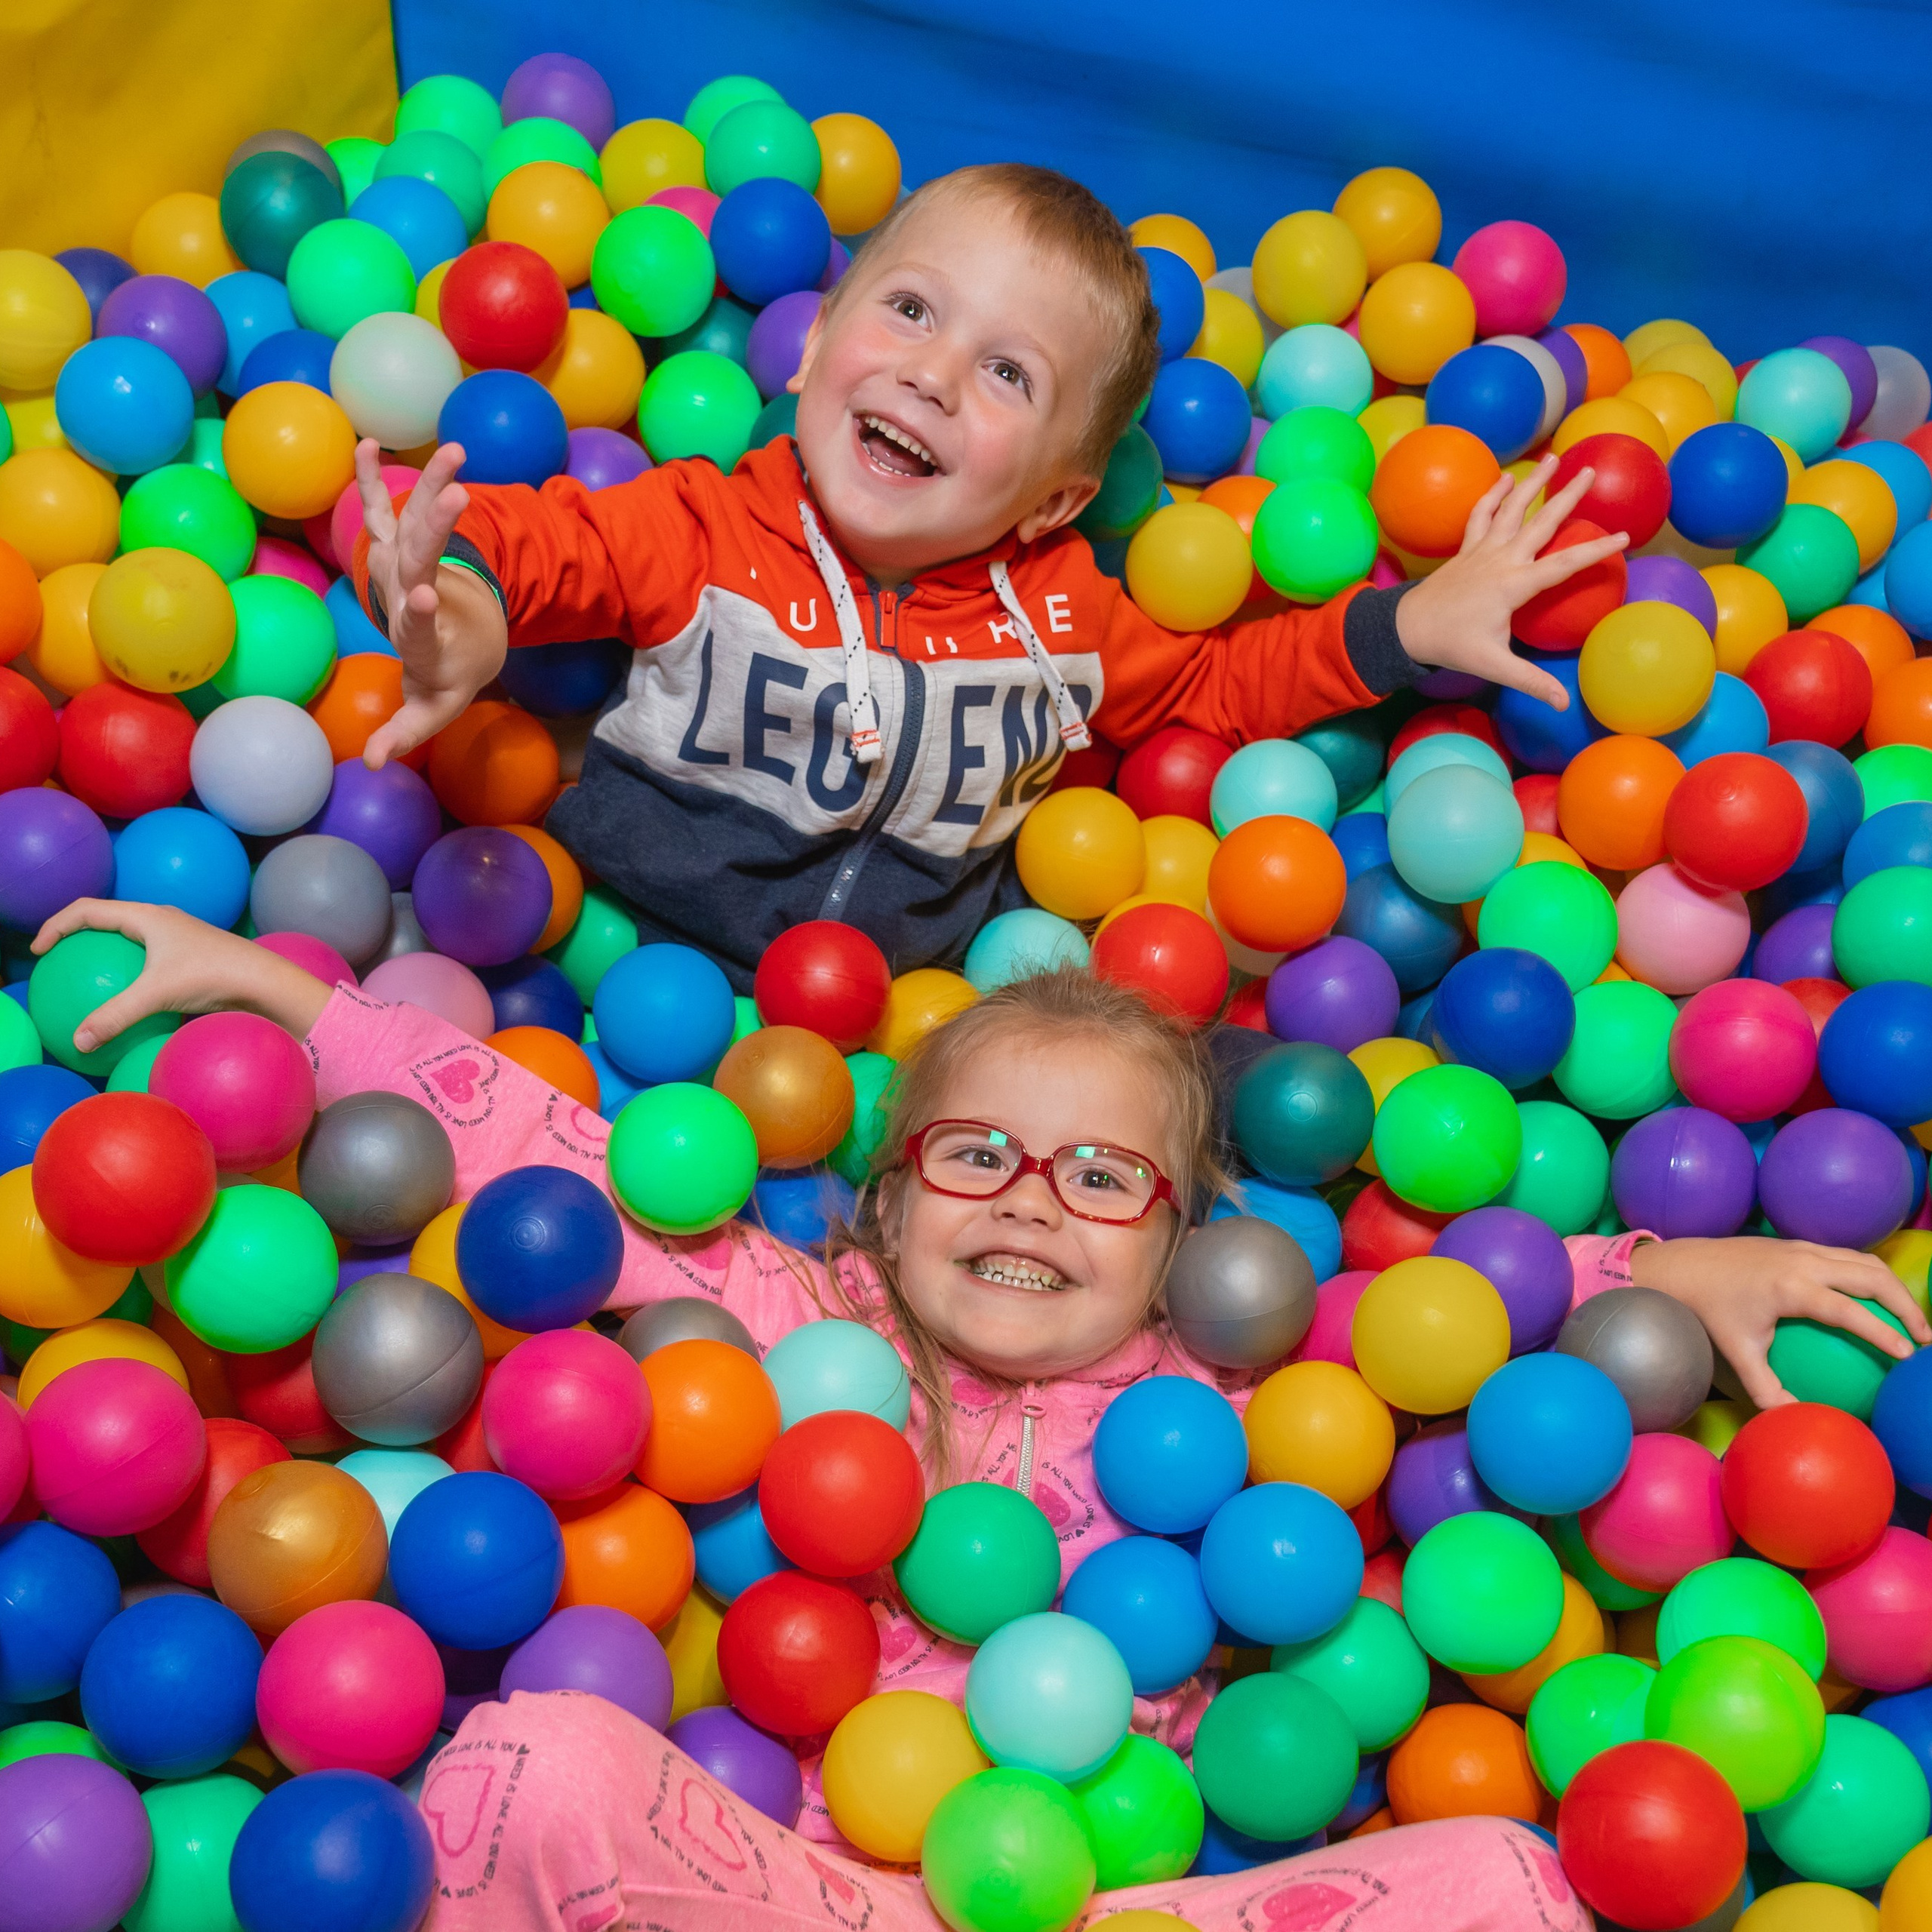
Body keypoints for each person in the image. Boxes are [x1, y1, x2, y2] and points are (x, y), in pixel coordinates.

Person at [33, 897, 1930, 1932]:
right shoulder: (787, 1313)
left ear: (1193, 1244)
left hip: (1127, 1902)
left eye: (1106, 1177)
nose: (1032, 1196)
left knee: (1504, 1875)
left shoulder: (1258, 1375)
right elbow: (535, 1148)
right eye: (980, 1151)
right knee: (537, 1763)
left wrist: (1684, 1264)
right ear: (877, 1190)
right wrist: (275, 998)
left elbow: (1464, 1315)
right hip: (797, 1879)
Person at [348, 162, 1626, 986]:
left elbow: (1218, 693)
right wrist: (452, 612)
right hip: (593, 949)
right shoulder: (703, 524)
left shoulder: (1062, 611)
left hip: (913, 1007)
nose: (934, 373)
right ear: (810, 355)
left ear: (1060, 497)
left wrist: (1412, 625)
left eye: (1007, 373)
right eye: (908, 311)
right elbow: (528, 542)